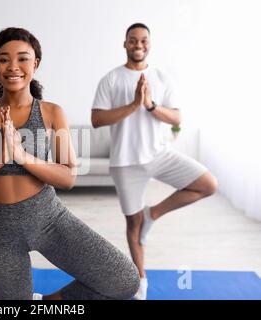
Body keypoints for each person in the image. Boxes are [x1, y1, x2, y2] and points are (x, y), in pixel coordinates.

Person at [0, 27, 139, 300]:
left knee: (124, 280)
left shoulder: (51, 112)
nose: (13, 66)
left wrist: (21, 155)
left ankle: (49, 302)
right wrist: (0, 158)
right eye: (4, 59)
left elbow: (68, 177)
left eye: (23, 58)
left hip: (48, 218)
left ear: (35, 63)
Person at [91, 23, 218, 300]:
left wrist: (149, 105)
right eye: (133, 40)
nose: (139, 44)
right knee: (133, 226)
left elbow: (177, 118)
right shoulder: (111, 79)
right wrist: (133, 105)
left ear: (150, 43)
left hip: (159, 155)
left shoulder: (161, 77)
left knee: (208, 184)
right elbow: (97, 119)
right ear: (125, 44)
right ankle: (140, 283)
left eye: (144, 40)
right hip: (125, 162)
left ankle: (154, 213)